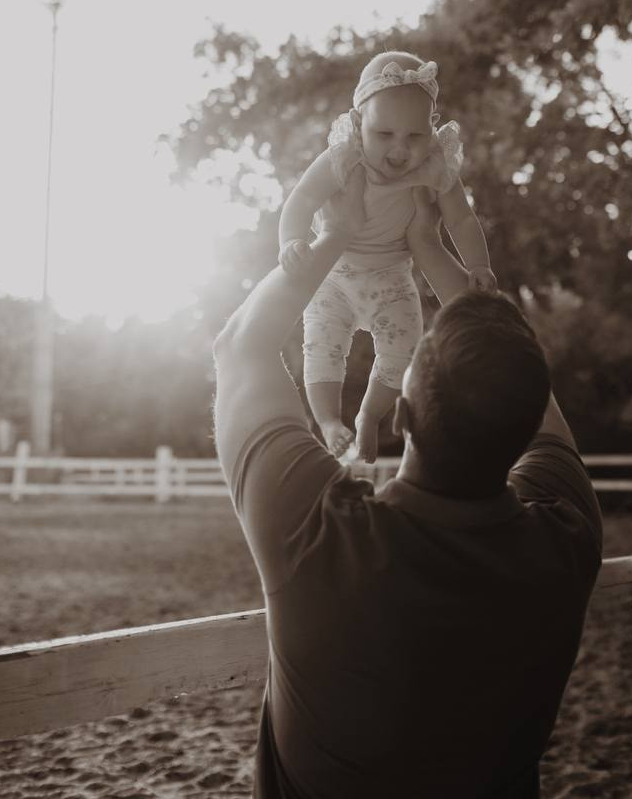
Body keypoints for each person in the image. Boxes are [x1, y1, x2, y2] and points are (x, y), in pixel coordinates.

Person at [213, 172, 603, 799]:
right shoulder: (566, 540)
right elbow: (530, 391)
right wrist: (428, 244)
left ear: (400, 417)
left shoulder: (318, 533)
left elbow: (241, 345)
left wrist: (332, 237)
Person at [278, 50, 496, 463]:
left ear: (432, 130)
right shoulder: (343, 156)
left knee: (405, 349)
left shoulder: (436, 164)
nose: (400, 149)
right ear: (359, 125)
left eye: (414, 136)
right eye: (384, 135)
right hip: (336, 274)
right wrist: (290, 241)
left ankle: (369, 414)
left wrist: (478, 264)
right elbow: (301, 199)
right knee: (321, 347)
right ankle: (327, 420)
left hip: (392, 275)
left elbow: (462, 220)